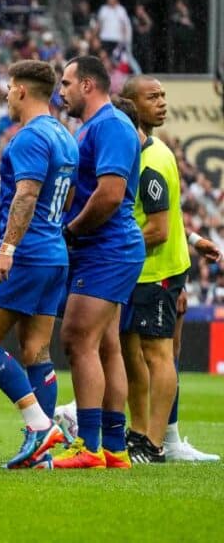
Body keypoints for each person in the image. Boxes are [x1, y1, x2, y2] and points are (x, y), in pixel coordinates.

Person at [0, 60, 78, 469]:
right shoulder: (65, 137)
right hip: (54, 255)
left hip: (26, 255)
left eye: (9, 88)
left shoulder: (29, 138)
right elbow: (64, 200)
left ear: (23, 92)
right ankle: (42, 450)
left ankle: (38, 426)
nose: (6, 95)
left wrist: (7, 248)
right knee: (36, 351)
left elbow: (27, 195)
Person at [118, 76, 221, 463]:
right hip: (137, 272)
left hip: (155, 272)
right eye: (153, 97)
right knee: (132, 355)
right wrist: (194, 239)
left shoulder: (151, 159)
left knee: (158, 355)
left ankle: (155, 443)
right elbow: (166, 212)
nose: (162, 103)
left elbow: (158, 229)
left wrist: (108, 250)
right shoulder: (147, 150)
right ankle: (140, 434)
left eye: (163, 96)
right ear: (129, 104)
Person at [54, 55, 144, 469]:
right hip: (104, 247)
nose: (61, 91)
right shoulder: (92, 127)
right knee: (107, 346)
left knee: (77, 338)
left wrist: (70, 231)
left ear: (88, 85)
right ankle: (114, 447)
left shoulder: (110, 125)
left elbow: (109, 194)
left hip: (106, 248)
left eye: (67, 83)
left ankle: (88, 446)